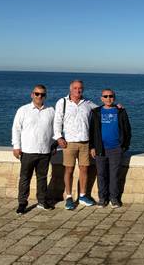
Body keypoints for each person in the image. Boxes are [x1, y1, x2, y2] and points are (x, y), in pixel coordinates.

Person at [54, 80, 98, 210]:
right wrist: (58, 137)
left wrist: (116, 107)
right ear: (70, 89)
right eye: (75, 88)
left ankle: (83, 196)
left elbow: (102, 111)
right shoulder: (62, 102)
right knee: (69, 170)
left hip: (85, 142)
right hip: (69, 143)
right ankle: (68, 197)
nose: (78, 90)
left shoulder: (88, 104)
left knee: (84, 169)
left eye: (80, 88)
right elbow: (57, 121)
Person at [12, 84, 55, 214]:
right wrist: (16, 146)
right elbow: (16, 129)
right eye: (37, 94)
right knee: (25, 178)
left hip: (44, 151)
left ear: (45, 96)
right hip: (27, 151)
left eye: (42, 94)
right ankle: (22, 203)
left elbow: (55, 130)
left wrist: (53, 145)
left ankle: (42, 201)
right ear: (32, 95)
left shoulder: (51, 111)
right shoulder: (23, 110)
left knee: (42, 178)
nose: (39, 96)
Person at [89, 89, 131, 208]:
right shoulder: (96, 112)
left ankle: (114, 198)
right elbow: (92, 131)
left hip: (116, 149)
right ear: (101, 98)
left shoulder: (120, 111)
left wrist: (124, 146)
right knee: (101, 174)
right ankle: (102, 198)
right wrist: (92, 147)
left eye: (111, 96)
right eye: (105, 96)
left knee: (114, 175)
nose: (108, 98)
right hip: (100, 149)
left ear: (114, 97)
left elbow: (127, 130)